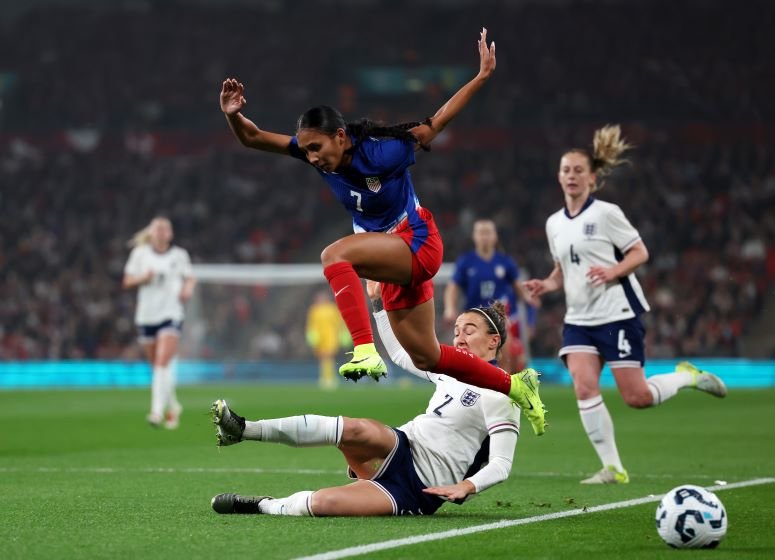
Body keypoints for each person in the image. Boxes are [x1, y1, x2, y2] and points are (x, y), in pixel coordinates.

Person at [219, 28, 545, 435]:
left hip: (417, 241)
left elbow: (436, 123)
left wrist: (480, 78)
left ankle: (364, 349)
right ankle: (516, 385)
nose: (312, 158)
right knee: (427, 357)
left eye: (317, 148)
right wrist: (233, 114)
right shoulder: (317, 154)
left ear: (340, 136)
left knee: (334, 255)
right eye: (306, 151)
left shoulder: (382, 151)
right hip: (394, 262)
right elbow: (252, 137)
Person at [209, 281, 522, 516]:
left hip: (418, 490)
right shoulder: (449, 370)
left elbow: (501, 464)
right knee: (359, 429)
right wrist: (378, 306)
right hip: (402, 446)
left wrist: (466, 486)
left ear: (494, 341)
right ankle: (244, 429)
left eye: (469, 330)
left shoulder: (502, 392)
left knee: (323, 503)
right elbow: (399, 354)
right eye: (456, 330)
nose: (459, 337)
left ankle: (265, 505)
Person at [522, 125, 727, 484]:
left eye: (578, 170)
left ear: (593, 178)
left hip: (617, 313)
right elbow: (561, 271)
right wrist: (546, 284)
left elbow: (640, 252)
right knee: (583, 386)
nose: (571, 176)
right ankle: (613, 468)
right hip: (579, 317)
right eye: (566, 170)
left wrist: (613, 270)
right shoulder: (554, 224)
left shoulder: (606, 213)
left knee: (637, 396)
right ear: (558, 176)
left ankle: (686, 376)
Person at [122, 216, 196, 428]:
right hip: (147, 315)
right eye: (158, 229)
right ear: (151, 233)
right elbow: (127, 281)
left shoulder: (179, 255)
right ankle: (174, 405)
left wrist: (187, 289)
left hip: (171, 314)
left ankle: (156, 412)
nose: (162, 232)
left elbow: (190, 277)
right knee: (157, 367)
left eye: (165, 229)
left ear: (170, 234)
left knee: (162, 362)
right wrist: (143, 278)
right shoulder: (140, 254)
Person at [443, 218, 538, 372]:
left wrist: (530, 317)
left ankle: (504, 392)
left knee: (506, 358)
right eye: (481, 232)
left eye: (488, 232)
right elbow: (452, 287)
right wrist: (449, 308)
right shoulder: (466, 262)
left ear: (495, 236)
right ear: (474, 236)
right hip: (474, 319)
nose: (484, 236)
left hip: (499, 318)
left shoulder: (505, 262)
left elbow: (523, 294)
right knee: (472, 363)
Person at [305, 289, 351, 389]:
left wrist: (342, 333)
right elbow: (311, 325)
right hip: (319, 338)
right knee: (323, 358)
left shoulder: (332, 308)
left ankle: (329, 379)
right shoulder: (314, 310)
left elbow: (339, 323)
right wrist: (311, 336)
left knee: (328, 357)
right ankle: (325, 378)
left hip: (331, 336)